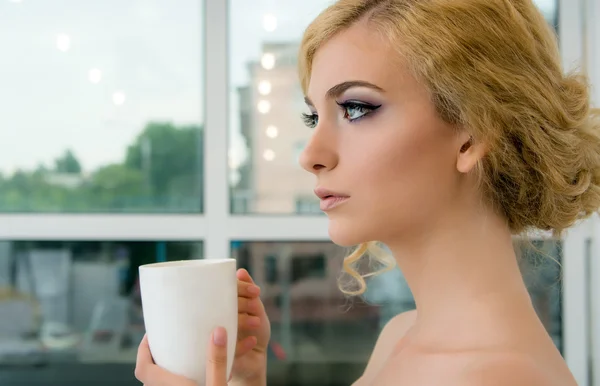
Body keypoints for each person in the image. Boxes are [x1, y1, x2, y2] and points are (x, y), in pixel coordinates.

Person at [135, 0, 600, 384]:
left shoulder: (498, 376)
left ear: (474, 134)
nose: (311, 155)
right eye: (313, 117)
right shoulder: (403, 335)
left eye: (356, 108)